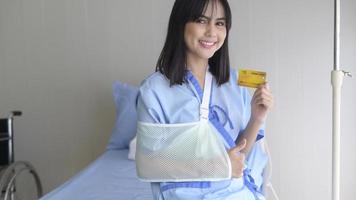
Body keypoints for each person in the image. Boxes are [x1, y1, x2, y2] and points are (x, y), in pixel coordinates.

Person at [136, 0, 273, 199]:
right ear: (181, 23)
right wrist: (218, 165)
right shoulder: (154, 90)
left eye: (220, 23)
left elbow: (238, 154)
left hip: (235, 192)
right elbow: (149, 164)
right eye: (201, 21)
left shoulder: (234, 83)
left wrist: (257, 118)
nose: (211, 32)